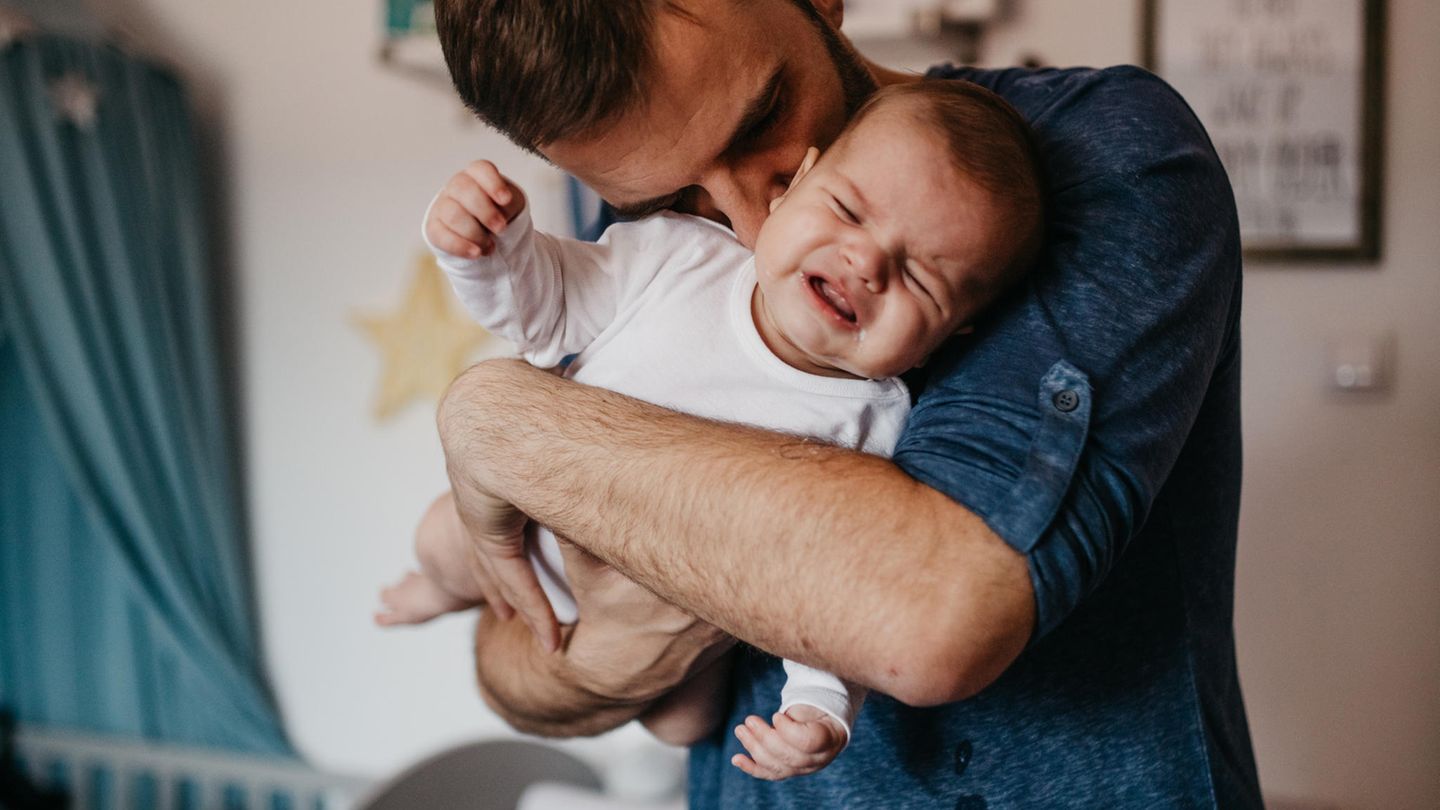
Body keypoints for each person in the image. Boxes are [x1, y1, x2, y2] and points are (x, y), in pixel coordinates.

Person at [424, 0, 1260, 806]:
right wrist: (613, 647)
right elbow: (513, 659)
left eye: (761, 126)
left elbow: (930, 621)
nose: (752, 229)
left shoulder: (1098, 152)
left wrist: (498, 419)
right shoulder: (661, 243)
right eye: (675, 201)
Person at [380, 80, 1044, 781]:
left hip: (679, 602)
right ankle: (445, 591)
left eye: (920, 277)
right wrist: (493, 248)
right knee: (437, 537)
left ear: (952, 332)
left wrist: (820, 710)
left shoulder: (875, 425)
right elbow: (541, 314)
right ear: (792, 188)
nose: (867, 262)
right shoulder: (677, 257)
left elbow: (821, 593)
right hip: (531, 526)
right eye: (847, 210)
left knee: (687, 721)